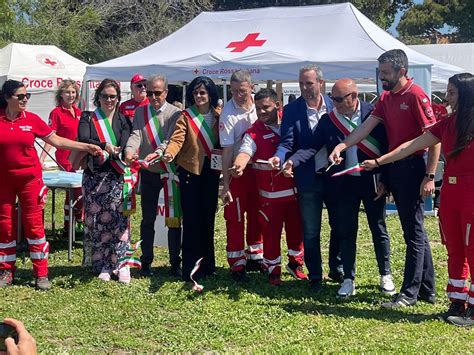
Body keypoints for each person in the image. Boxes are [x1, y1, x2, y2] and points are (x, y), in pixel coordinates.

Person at [329, 49, 439, 308]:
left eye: (386, 73)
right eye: (380, 73)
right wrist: (342, 147)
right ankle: (427, 289)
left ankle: (409, 294)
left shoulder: (416, 96)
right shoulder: (386, 97)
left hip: (412, 168)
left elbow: (435, 139)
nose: (382, 77)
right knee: (415, 230)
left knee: (413, 233)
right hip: (395, 168)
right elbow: (364, 128)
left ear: (402, 71)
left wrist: (430, 175)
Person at [362, 73, 474, 325]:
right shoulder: (448, 123)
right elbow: (411, 145)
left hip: (471, 192)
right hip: (451, 193)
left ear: (466, 94)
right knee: (454, 249)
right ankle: (457, 302)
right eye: (448, 92)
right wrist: (380, 161)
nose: (447, 98)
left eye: (453, 93)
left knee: (472, 249)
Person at [283, 79, 395, 298]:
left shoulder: (374, 115)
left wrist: (386, 179)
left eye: (339, 99)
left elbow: (388, 148)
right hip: (344, 184)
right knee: (346, 231)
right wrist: (291, 162)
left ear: (354, 96)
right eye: (332, 98)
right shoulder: (329, 120)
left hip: (372, 181)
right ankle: (348, 279)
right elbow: (311, 148)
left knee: (378, 228)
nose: (334, 103)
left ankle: (385, 274)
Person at [0, 80, 100, 290]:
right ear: (8, 98)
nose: (25, 100)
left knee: (34, 225)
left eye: (27, 96)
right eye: (21, 96)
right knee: (5, 227)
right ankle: (6, 271)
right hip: (3, 182)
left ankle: (41, 273)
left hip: (30, 180)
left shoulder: (32, 120)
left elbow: (58, 140)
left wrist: (86, 146)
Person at [269, 64, 341, 292]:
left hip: (335, 176)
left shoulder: (335, 105)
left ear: (321, 83)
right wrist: (279, 158)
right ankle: (315, 276)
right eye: (301, 83)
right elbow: (287, 142)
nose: (304, 88)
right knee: (310, 230)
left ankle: (336, 269)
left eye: (308, 83)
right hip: (308, 178)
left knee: (339, 225)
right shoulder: (292, 110)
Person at [230, 89, 306, 286]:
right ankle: (273, 269)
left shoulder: (290, 125)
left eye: (266, 108)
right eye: (258, 109)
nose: (262, 112)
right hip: (270, 198)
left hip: (296, 193)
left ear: (278, 105)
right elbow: (245, 151)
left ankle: (295, 263)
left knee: (296, 231)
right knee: (271, 233)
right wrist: (239, 164)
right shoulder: (254, 132)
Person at [124, 74, 183, 277]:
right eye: (149, 92)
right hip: (149, 173)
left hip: (169, 172)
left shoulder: (176, 113)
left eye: (157, 93)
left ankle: (176, 262)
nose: (153, 96)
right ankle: (146, 261)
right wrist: (129, 151)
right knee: (147, 218)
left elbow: (171, 139)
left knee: (174, 218)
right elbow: (136, 134)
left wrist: (158, 154)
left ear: (165, 92)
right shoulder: (141, 112)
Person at [163, 76, 221, 282]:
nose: (199, 96)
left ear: (210, 94)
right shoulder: (186, 116)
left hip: (211, 173)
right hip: (190, 172)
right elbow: (177, 139)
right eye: (196, 93)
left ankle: (208, 265)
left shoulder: (219, 116)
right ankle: (190, 267)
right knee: (191, 221)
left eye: (203, 93)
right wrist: (170, 153)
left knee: (208, 219)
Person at [78, 78, 132, 284]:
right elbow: (83, 139)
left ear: (118, 99)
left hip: (118, 176)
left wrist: (122, 150)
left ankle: (122, 264)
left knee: (120, 222)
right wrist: (103, 145)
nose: (109, 100)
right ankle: (103, 265)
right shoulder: (88, 118)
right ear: (97, 97)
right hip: (95, 178)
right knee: (98, 223)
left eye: (113, 97)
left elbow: (127, 143)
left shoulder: (124, 120)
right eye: (104, 96)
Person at [219, 70, 263, 282]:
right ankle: (237, 262)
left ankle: (256, 255)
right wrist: (226, 183)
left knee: (257, 213)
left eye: (242, 91)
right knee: (235, 216)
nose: (238, 95)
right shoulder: (228, 113)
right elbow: (227, 151)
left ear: (251, 88)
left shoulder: (261, 104)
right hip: (238, 170)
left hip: (260, 169)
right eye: (234, 91)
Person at [39, 79, 84, 236]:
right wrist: (42, 158)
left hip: (80, 157)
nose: (70, 95)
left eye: (73, 92)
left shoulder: (79, 113)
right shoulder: (56, 113)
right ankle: (70, 226)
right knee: (74, 191)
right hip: (64, 158)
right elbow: (50, 137)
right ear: (61, 94)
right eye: (67, 92)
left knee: (80, 190)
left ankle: (77, 222)